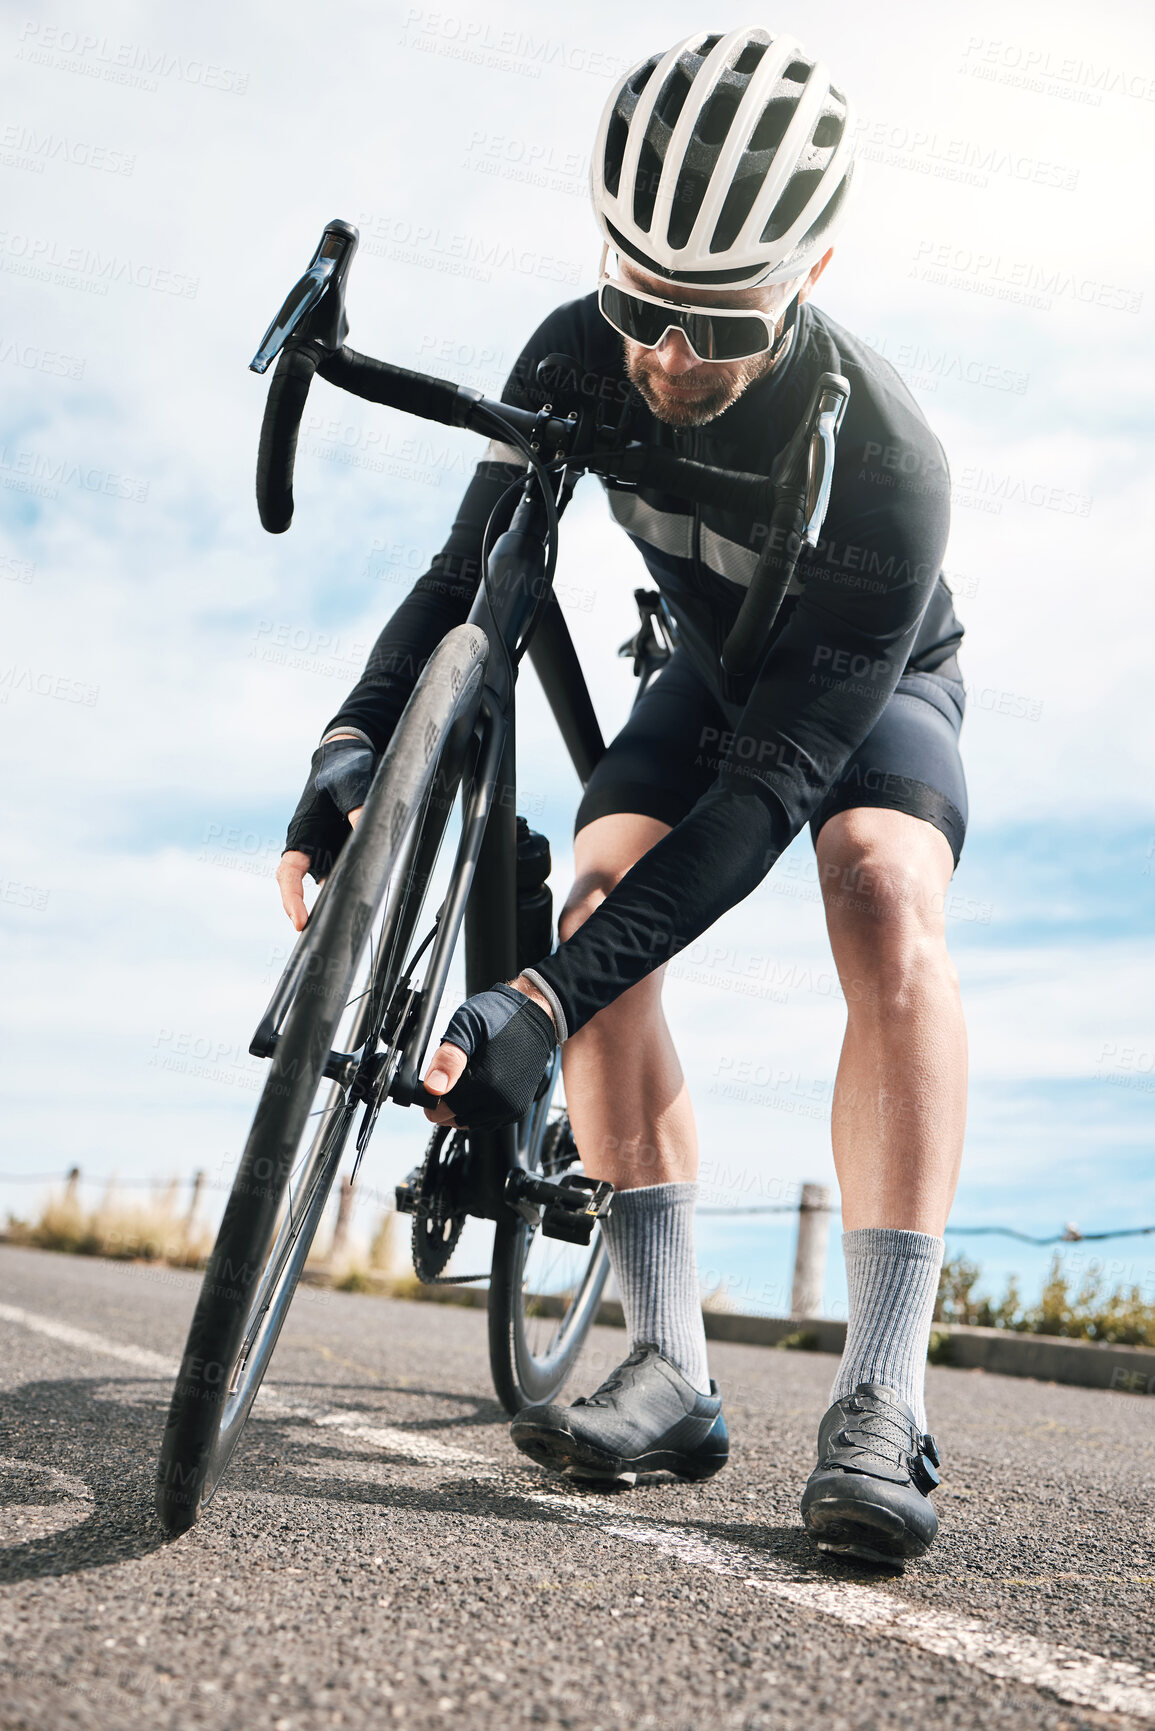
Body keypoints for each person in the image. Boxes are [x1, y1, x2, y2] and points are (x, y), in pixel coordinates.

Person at [278, 26, 966, 1568]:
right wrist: (351, 747)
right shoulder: (578, 346)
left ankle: (881, 1396)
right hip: (705, 670)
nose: (664, 358)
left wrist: (539, 1000)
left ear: (813, 268)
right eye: (637, 303)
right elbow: (470, 575)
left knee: (875, 884)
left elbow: (773, 795)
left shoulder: (893, 466)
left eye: (716, 325)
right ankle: (670, 1369)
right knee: (592, 908)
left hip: (865, 695)